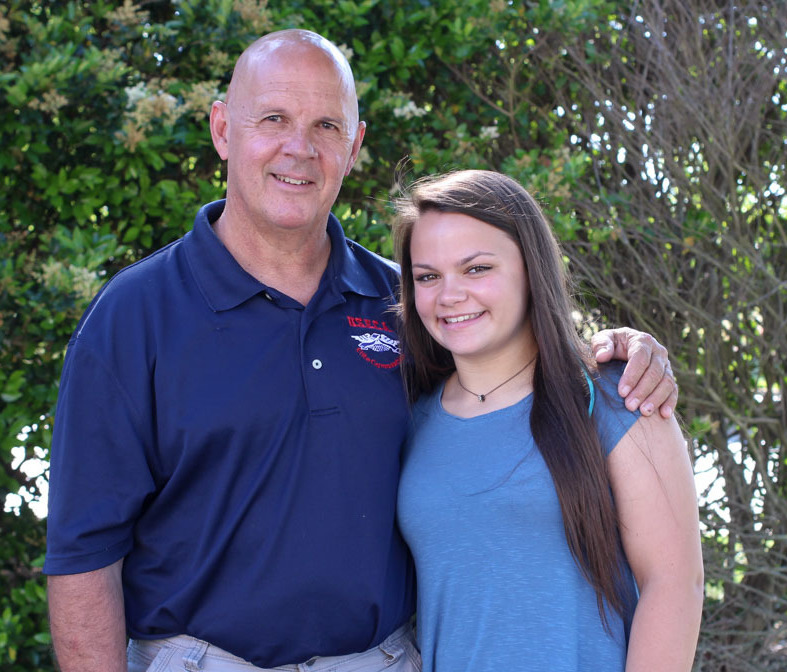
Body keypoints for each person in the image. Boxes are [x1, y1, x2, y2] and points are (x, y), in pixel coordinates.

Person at [43, 31, 678, 672]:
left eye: (326, 125)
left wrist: (620, 349)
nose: (300, 147)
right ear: (222, 130)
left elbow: (510, 373)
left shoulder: (408, 306)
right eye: (273, 119)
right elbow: (82, 555)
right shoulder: (133, 317)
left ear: (354, 147)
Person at [393, 170, 704, 672]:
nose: (449, 295)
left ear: (531, 268)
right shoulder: (410, 418)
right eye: (428, 276)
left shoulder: (618, 396)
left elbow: (674, 585)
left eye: (476, 269)